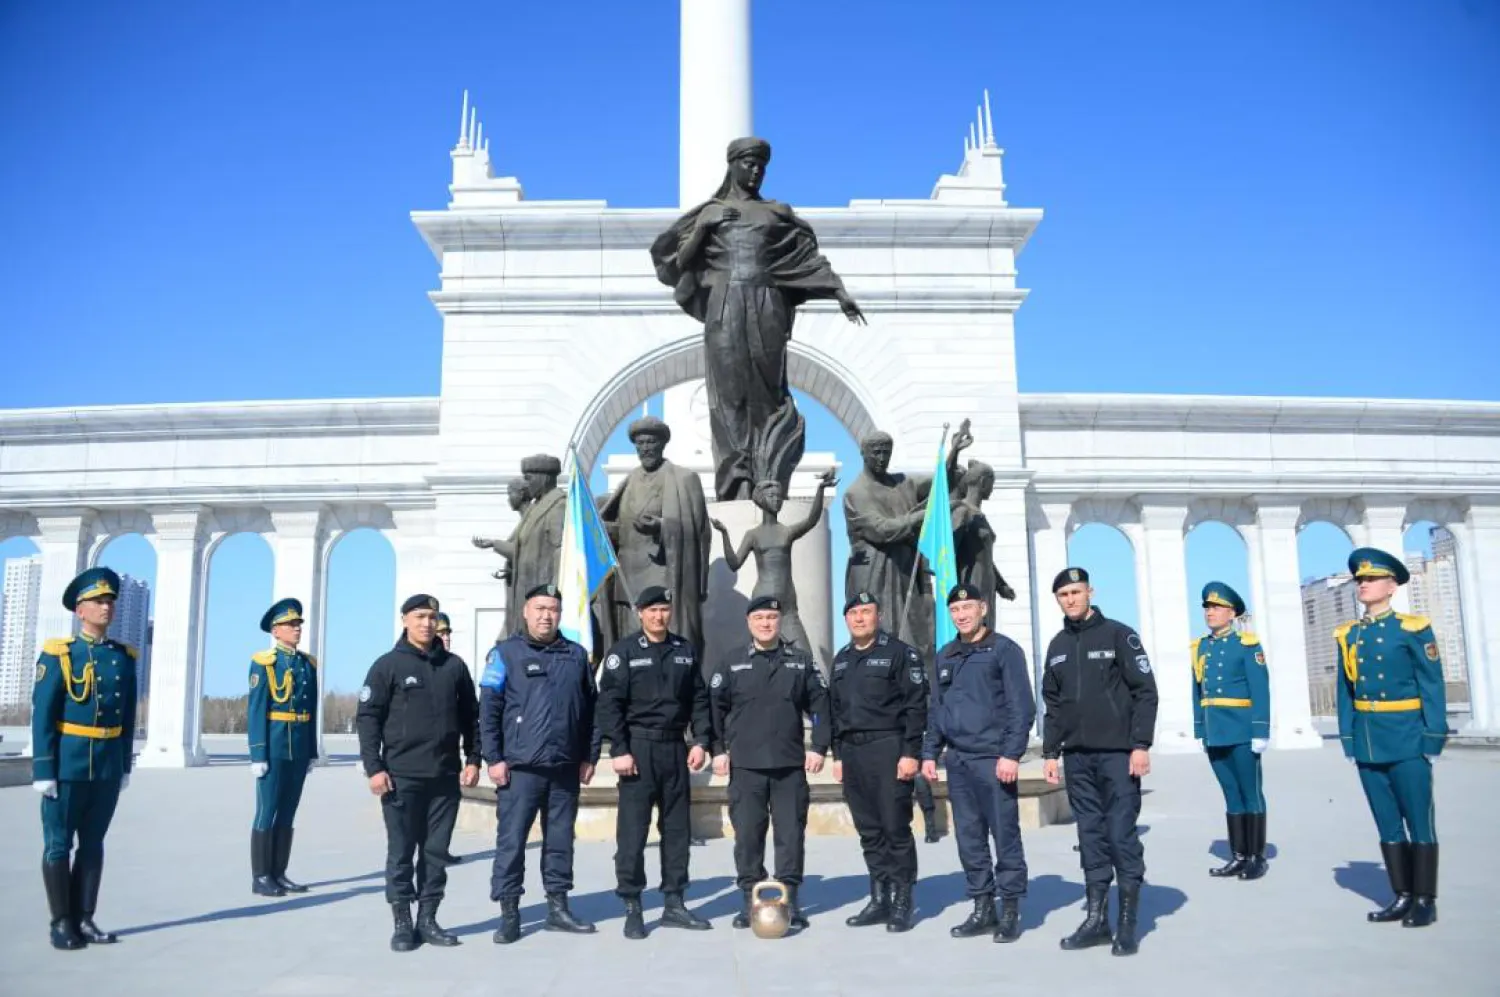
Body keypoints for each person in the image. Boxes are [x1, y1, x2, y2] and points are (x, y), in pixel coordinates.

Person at [650, 137, 866, 502]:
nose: (755, 171)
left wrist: (838, 291)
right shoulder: (710, 211)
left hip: (767, 305)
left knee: (768, 394)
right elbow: (677, 262)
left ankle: (768, 479)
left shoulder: (777, 212)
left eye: (761, 166)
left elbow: (805, 259)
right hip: (725, 306)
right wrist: (704, 227)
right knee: (729, 393)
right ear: (732, 164)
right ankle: (737, 483)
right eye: (749, 164)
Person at [1041, 567, 1158, 957]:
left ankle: (1127, 923)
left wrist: (1140, 744)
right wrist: (1050, 753)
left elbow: (1145, 692)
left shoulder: (1119, 635)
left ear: (1090, 591)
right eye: (1064, 594)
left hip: (1117, 756)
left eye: (1076, 591)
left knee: (1121, 834)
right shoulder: (1057, 645)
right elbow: (1053, 706)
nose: (1071, 599)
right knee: (1089, 836)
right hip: (1077, 758)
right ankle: (1096, 920)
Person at [356, 595, 481, 952]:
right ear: (405, 620)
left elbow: (471, 717)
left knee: (436, 852)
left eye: (432, 617)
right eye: (420, 616)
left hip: (444, 777)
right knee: (401, 852)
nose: (427, 623)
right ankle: (402, 922)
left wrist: (474, 758)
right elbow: (368, 719)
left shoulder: (454, 666)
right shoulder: (387, 665)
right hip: (401, 777)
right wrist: (374, 768)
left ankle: (428, 919)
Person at [482, 583, 602, 944]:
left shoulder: (577, 655)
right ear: (525, 611)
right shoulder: (504, 654)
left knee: (561, 841)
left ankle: (558, 906)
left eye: (552, 609)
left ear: (560, 615)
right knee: (512, 842)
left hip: (565, 768)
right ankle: (509, 912)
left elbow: (593, 711)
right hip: (520, 769)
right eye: (539, 608)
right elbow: (489, 709)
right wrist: (494, 758)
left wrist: (589, 756)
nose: (546, 615)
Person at [1336, 547, 1447, 928]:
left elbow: (1431, 685)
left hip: (1407, 738)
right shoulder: (1350, 635)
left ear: (1392, 585)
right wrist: (1350, 740)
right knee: (1386, 823)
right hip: (1368, 740)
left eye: (1371, 579)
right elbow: (1345, 692)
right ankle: (1401, 894)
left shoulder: (1413, 629)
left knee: (1419, 821)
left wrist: (1432, 737)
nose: (1363, 585)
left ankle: (1425, 898)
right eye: (1360, 579)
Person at [595, 586, 715, 939]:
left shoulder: (684, 651)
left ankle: (674, 901)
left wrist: (702, 740)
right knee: (632, 832)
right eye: (652, 610)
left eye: (664, 609)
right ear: (639, 613)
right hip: (638, 749)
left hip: (675, 749)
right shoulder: (625, 653)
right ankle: (633, 904)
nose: (659, 616)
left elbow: (699, 699)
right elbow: (609, 704)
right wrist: (619, 748)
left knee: (677, 830)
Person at [31, 567, 137, 951]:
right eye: (98, 601)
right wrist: (44, 767)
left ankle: (85, 918)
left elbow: (127, 716)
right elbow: (43, 713)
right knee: (58, 845)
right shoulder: (61, 654)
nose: (106, 607)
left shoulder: (122, 657)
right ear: (80, 610)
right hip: (67, 763)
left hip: (106, 764)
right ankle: (61, 922)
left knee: (93, 844)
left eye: (110, 601)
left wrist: (124, 763)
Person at [922, 585, 1035, 942]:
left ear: (983, 608)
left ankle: (1011, 909)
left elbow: (1022, 707)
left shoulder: (1004, 650)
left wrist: (1011, 754)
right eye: (955, 609)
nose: (961, 614)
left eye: (968, 607)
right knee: (969, 838)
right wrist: (929, 752)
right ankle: (983, 906)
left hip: (993, 760)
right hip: (958, 761)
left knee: (1005, 835)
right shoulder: (946, 655)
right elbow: (937, 710)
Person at [710, 595, 831, 930]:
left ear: (780, 622)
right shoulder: (732, 662)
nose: (766, 623)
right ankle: (751, 898)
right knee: (748, 835)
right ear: (749, 623)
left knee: (790, 834)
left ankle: (789, 900)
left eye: (772, 618)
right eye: (759, 617)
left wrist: (819, 746)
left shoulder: (800, 662)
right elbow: (714, 710)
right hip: (746, 767)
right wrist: (718, 750)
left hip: (789, 766)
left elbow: (821, 705)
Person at [828, 591, 927, 932]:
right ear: (846, 619)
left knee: (894, 827)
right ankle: (879, 896)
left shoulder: (899, 654)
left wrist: (911, 752)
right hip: (854, 753)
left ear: (878, 616)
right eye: (853, 613)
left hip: (889, 747)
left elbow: (916, 707)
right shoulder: (841, 659)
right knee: (869, 830)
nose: (859, 618)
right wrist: (838, 756)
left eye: (865, 612)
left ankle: (902, 899)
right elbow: (835, 711)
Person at [597, 417, 712, 657]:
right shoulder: (627, 483)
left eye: (651, 442)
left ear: (662, 444)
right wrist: (610, 531)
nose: (646, 448)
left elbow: (700, 531)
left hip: (663, 574)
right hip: (629, 579)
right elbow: (622, 530)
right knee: (631, 645)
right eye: (640, 443)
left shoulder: (684, 479)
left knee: (666, 646)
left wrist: (662, 527)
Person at [1191, 582, 1271, 880]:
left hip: (1241, 730)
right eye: (1207, 608)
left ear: (1232, 613)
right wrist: (1200, 728)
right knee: (1231, 794)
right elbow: (1196, 691)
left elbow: (1260, 689)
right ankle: (1238, 855)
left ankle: (1256, 856)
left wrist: (1260, 730)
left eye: (1216, 608)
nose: (1210, 613)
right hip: (1216, 731)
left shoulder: (1247, 645)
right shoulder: (1200, 648)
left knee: (1251, 793)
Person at [711, 469, 837, 653]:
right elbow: (734, 563)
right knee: (762, 654)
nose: (777, 500)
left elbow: (812, 520)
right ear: (761, 499)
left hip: (788, 606)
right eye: (771, 496)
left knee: (805, 655)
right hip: (763, 600)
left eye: (778, 496)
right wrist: (724, 534)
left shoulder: (786, 531)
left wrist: (820, 490)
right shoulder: (753, 535)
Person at [247, 597, 319, 897]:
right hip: (274, 745)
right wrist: (258, 753)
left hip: (299, 747)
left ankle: (279, 872)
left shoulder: (306, 664)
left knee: (288, 811)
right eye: (290, 625)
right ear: (276, 631)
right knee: (267, 810)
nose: (297, 629)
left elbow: (312, 709)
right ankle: (261, 876)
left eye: (298, 624)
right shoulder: (264, 663)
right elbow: (256, 710)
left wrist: (312, 750)